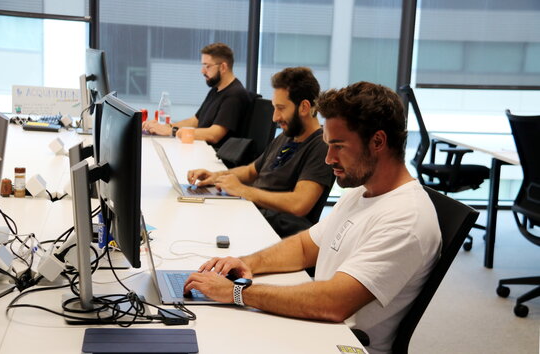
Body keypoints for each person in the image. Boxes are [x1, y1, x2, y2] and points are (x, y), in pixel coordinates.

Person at [184, 82, 442, 354]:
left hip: (336, 341)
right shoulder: (363, 193)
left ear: (378, 141)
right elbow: (305, 247)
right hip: (315, 327)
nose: (329, 159)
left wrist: (236, 292)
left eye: (339, 146)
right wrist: (245, 264)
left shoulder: (406, 219)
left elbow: (333, 303)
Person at [187, 67, 334, 237]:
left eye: (281, 108)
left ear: (304, 107)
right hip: (254, 215)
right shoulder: (288, 136)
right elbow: (252, 171)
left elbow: (299, 204)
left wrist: (244, 191)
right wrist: (216, 176)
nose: (275, 118)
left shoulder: (321, 146)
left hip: (272, 231)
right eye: (274, 108)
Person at [142, 42, 250, 149]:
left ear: (223, 67)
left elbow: (214, 134)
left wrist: (172, 131)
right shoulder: (216, 90)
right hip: (202, 149)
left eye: (207, 66)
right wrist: (166, 127)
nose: (202, 71)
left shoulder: (235, 95)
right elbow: (195, 121)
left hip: (215, 158)